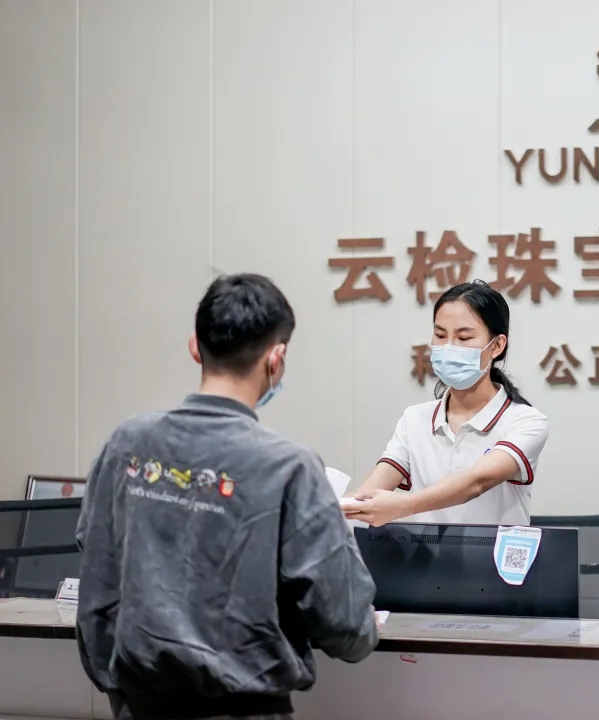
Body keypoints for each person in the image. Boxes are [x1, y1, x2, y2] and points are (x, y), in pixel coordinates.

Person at [76, 273, 380, 720]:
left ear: (195, 347)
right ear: (276, 358)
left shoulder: (126, 444)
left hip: (135, 706)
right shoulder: (288, 466)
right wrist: (362, 632)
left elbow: (96, 578)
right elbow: (346, 622)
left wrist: (118, 684)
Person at [344, 280, 549, 527]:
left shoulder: (525, 421)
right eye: (440, 335)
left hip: (494, 553)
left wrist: (404, 505)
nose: (449, 346)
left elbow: (477, 482)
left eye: (463, 337)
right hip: (424, 553)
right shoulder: (414, 419)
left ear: (496, 345)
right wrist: (336, 509)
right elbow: (371, 490)